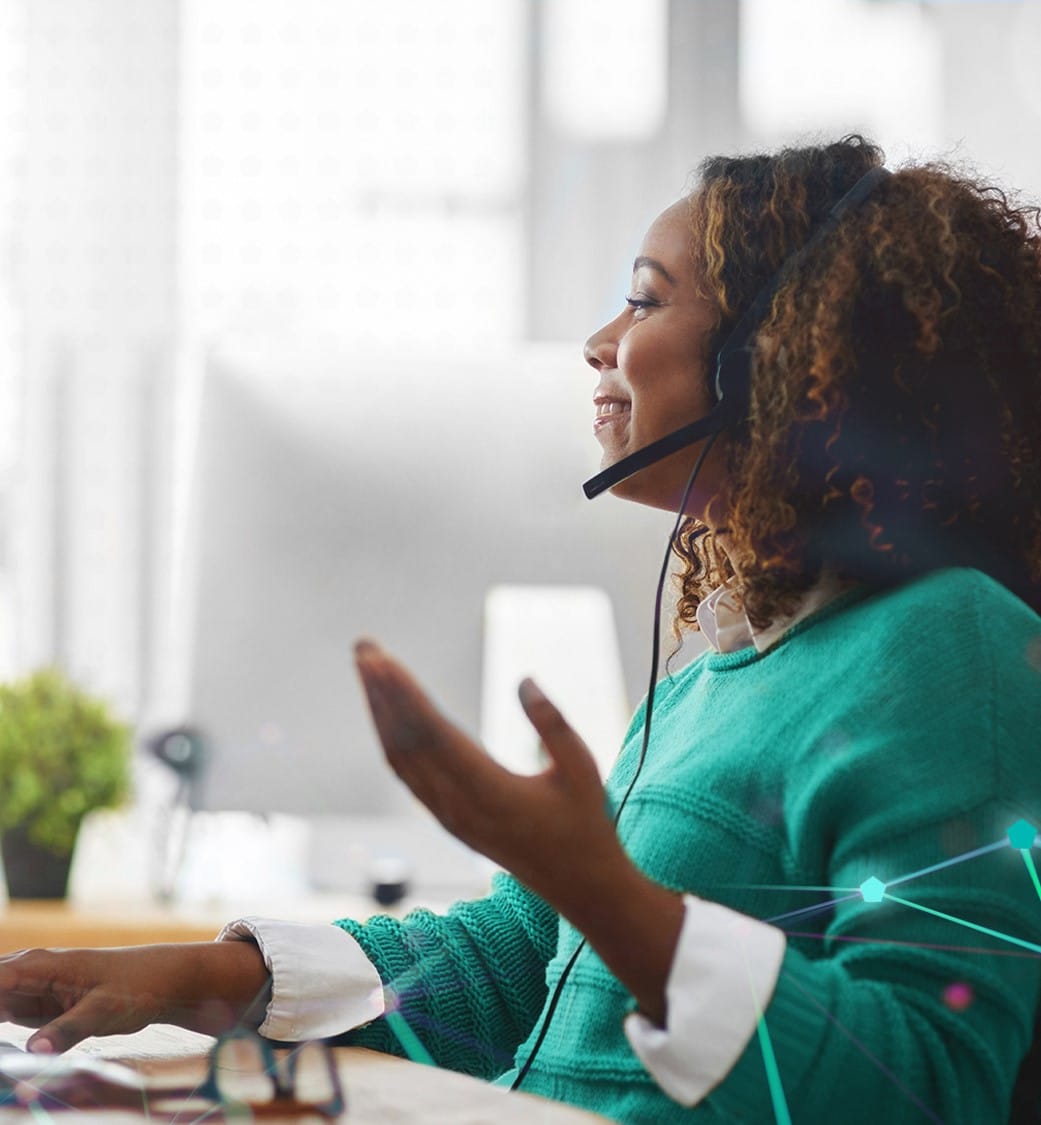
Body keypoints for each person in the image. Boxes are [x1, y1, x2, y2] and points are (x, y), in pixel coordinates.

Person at [2, 134, 1041, 1124]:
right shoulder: (720, 668)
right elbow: (525, 963)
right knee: (85, 1091)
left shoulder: (955, 649)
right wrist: (195, 976)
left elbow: (930, 1088)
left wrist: (600, 887)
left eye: (643, 301)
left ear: (775, 358)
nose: (599, 343)